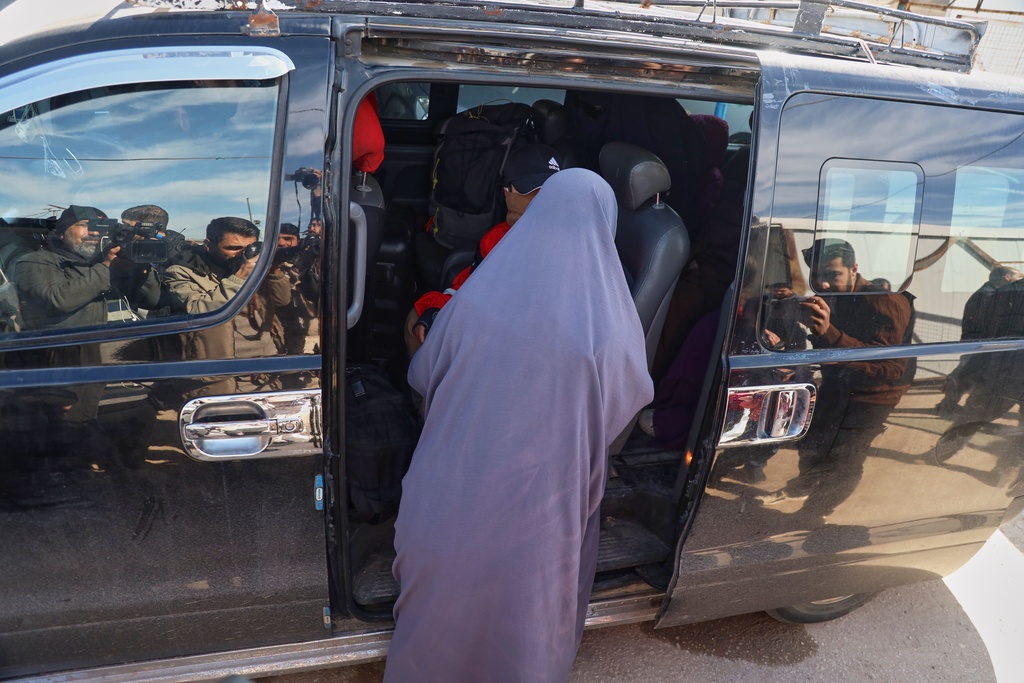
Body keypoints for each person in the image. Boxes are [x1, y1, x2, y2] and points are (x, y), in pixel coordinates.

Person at [384, 168, 653, 683]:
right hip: (541, 518)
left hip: (440, 512)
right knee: (528, 624)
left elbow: (423, 374)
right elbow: (624, 409)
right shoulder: (612, 329)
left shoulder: (476, 300)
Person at [755, 238, 914, 518]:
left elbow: (890, 367)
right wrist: (784, 306)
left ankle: (814, 514)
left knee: (845, 459)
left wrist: (828, 332)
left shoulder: (883, 301)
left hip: (872, 397)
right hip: (837, 384)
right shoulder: (831, 296)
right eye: (817, 275)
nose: (824, 284)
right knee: (813, 443)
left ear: (854, 269)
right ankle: (803, 485)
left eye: (833, 274)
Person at [403, 144, 561, 357]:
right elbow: (467, 290)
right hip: (485, 327)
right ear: (507, 191)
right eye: (533, 190)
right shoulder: (496, 239)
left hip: (536, 346)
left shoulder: (577, 244)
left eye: (553, 190)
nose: (545, 197)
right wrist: (435, 310)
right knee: (416, 320)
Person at [164, 217, 290, 366]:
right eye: (233, 248)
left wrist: (274, 271)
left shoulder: (256, 266)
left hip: (266, 359)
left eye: (250, 248)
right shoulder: (181, 271)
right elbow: (198, 311)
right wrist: (239, 278)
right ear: (209, 245)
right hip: (219, 365)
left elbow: (282, 301)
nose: (243, 255)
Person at [16, 204, 159, 330]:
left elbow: (150, 301)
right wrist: (107, 268)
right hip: (77, 349)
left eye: (100, 227)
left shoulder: (113, 260)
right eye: (85, 225)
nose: (94, 232)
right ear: (61, 233)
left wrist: (140, 266)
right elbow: (57, 301)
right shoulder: (36, 261)